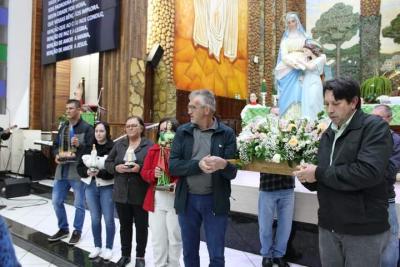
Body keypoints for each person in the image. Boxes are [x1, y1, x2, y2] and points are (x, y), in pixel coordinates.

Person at [293, 78, 392, 267]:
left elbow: (368, 172)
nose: (330, 110)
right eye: (327, 104)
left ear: (354, 102)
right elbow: (326, 175)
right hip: (328, 224)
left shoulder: (374, 127)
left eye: (336, 104)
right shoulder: (329, 132)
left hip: (362, 228)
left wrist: (319, 173)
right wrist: (307, 176)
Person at [169, 89, 237, 267]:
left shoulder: (227, 133)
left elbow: (232, 172)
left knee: (216, 255)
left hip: (215, 201)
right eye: (189, 106)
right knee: (190, 253)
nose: (188, 111)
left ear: (207, 110)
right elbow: (173, 166)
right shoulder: (183, 132)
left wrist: (223, 165)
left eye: (193, 106)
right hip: (187, 201)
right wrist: (197, 165)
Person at [105, 116, 153, 267]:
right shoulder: (119, 144)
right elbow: (108, 162)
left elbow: (152, 167)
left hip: (140, 193)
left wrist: (140, 168)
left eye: (133, 125)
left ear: (141, 128)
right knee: (125, 226)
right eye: (128, 126)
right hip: (121, 193)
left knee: (141, 226)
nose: (130, 128)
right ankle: (125, 255)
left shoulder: (149, 145)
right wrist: (116, 168)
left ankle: (140, 256)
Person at [48, 99, 94, 245]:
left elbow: (91, 150)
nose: (67, 111)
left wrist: (80, 145)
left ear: (79, 110)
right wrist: (56, 154)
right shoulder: (64, 127)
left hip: (77, 172)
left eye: (71, 108)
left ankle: (77, 231)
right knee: (56, 201)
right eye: (66, 108)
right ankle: (63, 228)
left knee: (79, 204)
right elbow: (55, 145)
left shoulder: (87, 128)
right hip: (61, 170)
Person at [141, 117, 182, 267]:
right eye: (162, 130)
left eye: (169, 130)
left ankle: (174, 265)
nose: (165, 132)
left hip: (175, 200)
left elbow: (186, 173)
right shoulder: (154, 149)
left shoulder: (182, 151)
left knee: (174, 238)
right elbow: (144, 172)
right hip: (156, 200)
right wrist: (153, 174)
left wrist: (176, 184)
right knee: (158, 239)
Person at [77, 121, 115, 260]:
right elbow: (79, 167)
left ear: (107, 132)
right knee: (94, 218)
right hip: (90, 187)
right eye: (97, 131)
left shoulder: (112, 147)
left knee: (109, 218)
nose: (98, 134)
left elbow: (112, 170)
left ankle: (109, 247)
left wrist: (98, 173)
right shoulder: (88, 147)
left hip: (107, 186)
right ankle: (97, 246)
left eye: (102, 131)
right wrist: (87, 171)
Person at [372, 104, 400, 267]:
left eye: (379, 118)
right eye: (372, 118)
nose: (374, 122)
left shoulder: (396, 140)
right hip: (366, 198)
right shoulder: (366, 137)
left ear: (389, 119)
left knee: (390, 242)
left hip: (385, 198)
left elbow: (391, 171)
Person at [275, 12, 308, 119]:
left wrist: (302, 63)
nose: (291, 24)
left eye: (293, 21)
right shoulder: (285, 40)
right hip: (289, 67)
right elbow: (284, 56)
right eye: (289, 22)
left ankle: (303, 117)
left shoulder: (304, 37)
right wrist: (294, 64)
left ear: (297, 22)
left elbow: (309, 51)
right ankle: (288, 117)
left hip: (303, 66)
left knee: (301, 91)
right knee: (288, 93)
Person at [258, 172, 294, 267]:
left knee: (285, 226)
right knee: (265, 225)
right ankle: (267, 255)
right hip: (267, 185)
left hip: (287, 186)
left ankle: (279, 255)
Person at [296, 40, 326, 120]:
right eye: (304, 51)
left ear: (312, 50)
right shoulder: (308, 60)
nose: (304, 52)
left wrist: (301, 62)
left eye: (306, 50)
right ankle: (307, 121)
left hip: (314, 81)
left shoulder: (321, 58)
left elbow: (311, 67)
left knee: (313, 101)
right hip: (306, 82)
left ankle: (317, 120)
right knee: (307, 102)